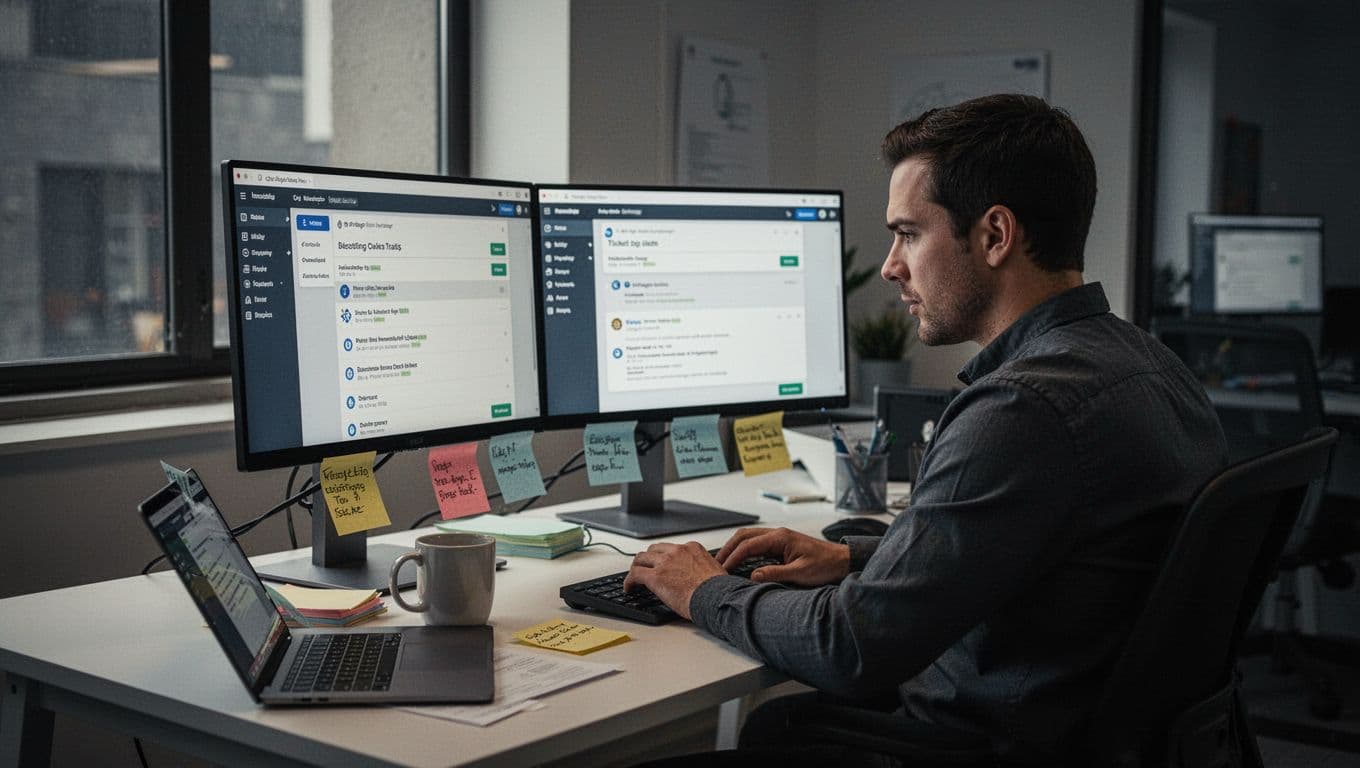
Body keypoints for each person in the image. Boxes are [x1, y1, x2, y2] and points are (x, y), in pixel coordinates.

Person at [623, 94, 1229, 765]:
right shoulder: (1152, 366)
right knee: (783, 726)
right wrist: (856, 560)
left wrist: (702, 588)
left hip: (985, 740)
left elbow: (848, 649)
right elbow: (1045, 555)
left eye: (909, 233)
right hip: (1082, 729)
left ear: (996, 235)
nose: (890, 266)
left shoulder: (1023, 409)